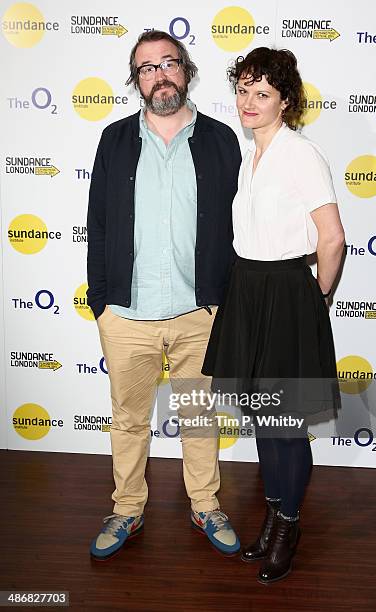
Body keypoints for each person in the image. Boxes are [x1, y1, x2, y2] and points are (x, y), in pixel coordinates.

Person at [87, 30, 242, 560]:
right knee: (129, 418)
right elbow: (99, 224)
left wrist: (226, 298)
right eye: (147, 68)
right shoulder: (113, 139)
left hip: (200, 312)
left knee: (199, 416)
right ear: (137, 80)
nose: (160, 74)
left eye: (168, 63)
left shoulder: (221, 139)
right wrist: (102, 301)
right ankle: (126, 508)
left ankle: (205, 503)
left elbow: (236, 225)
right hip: (127, 314)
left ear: (186, 69)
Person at [202, 47, 345, 583]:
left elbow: (331, 238)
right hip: (248, 288)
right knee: (264, 416)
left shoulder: (300, 154)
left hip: (286, 292)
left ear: (286, 100)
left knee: (286, 425)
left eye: (262, 93)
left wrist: (317, 300)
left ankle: (288, 524)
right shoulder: (250, 155)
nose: (249, 101)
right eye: (242, 90)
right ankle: (273, 513)